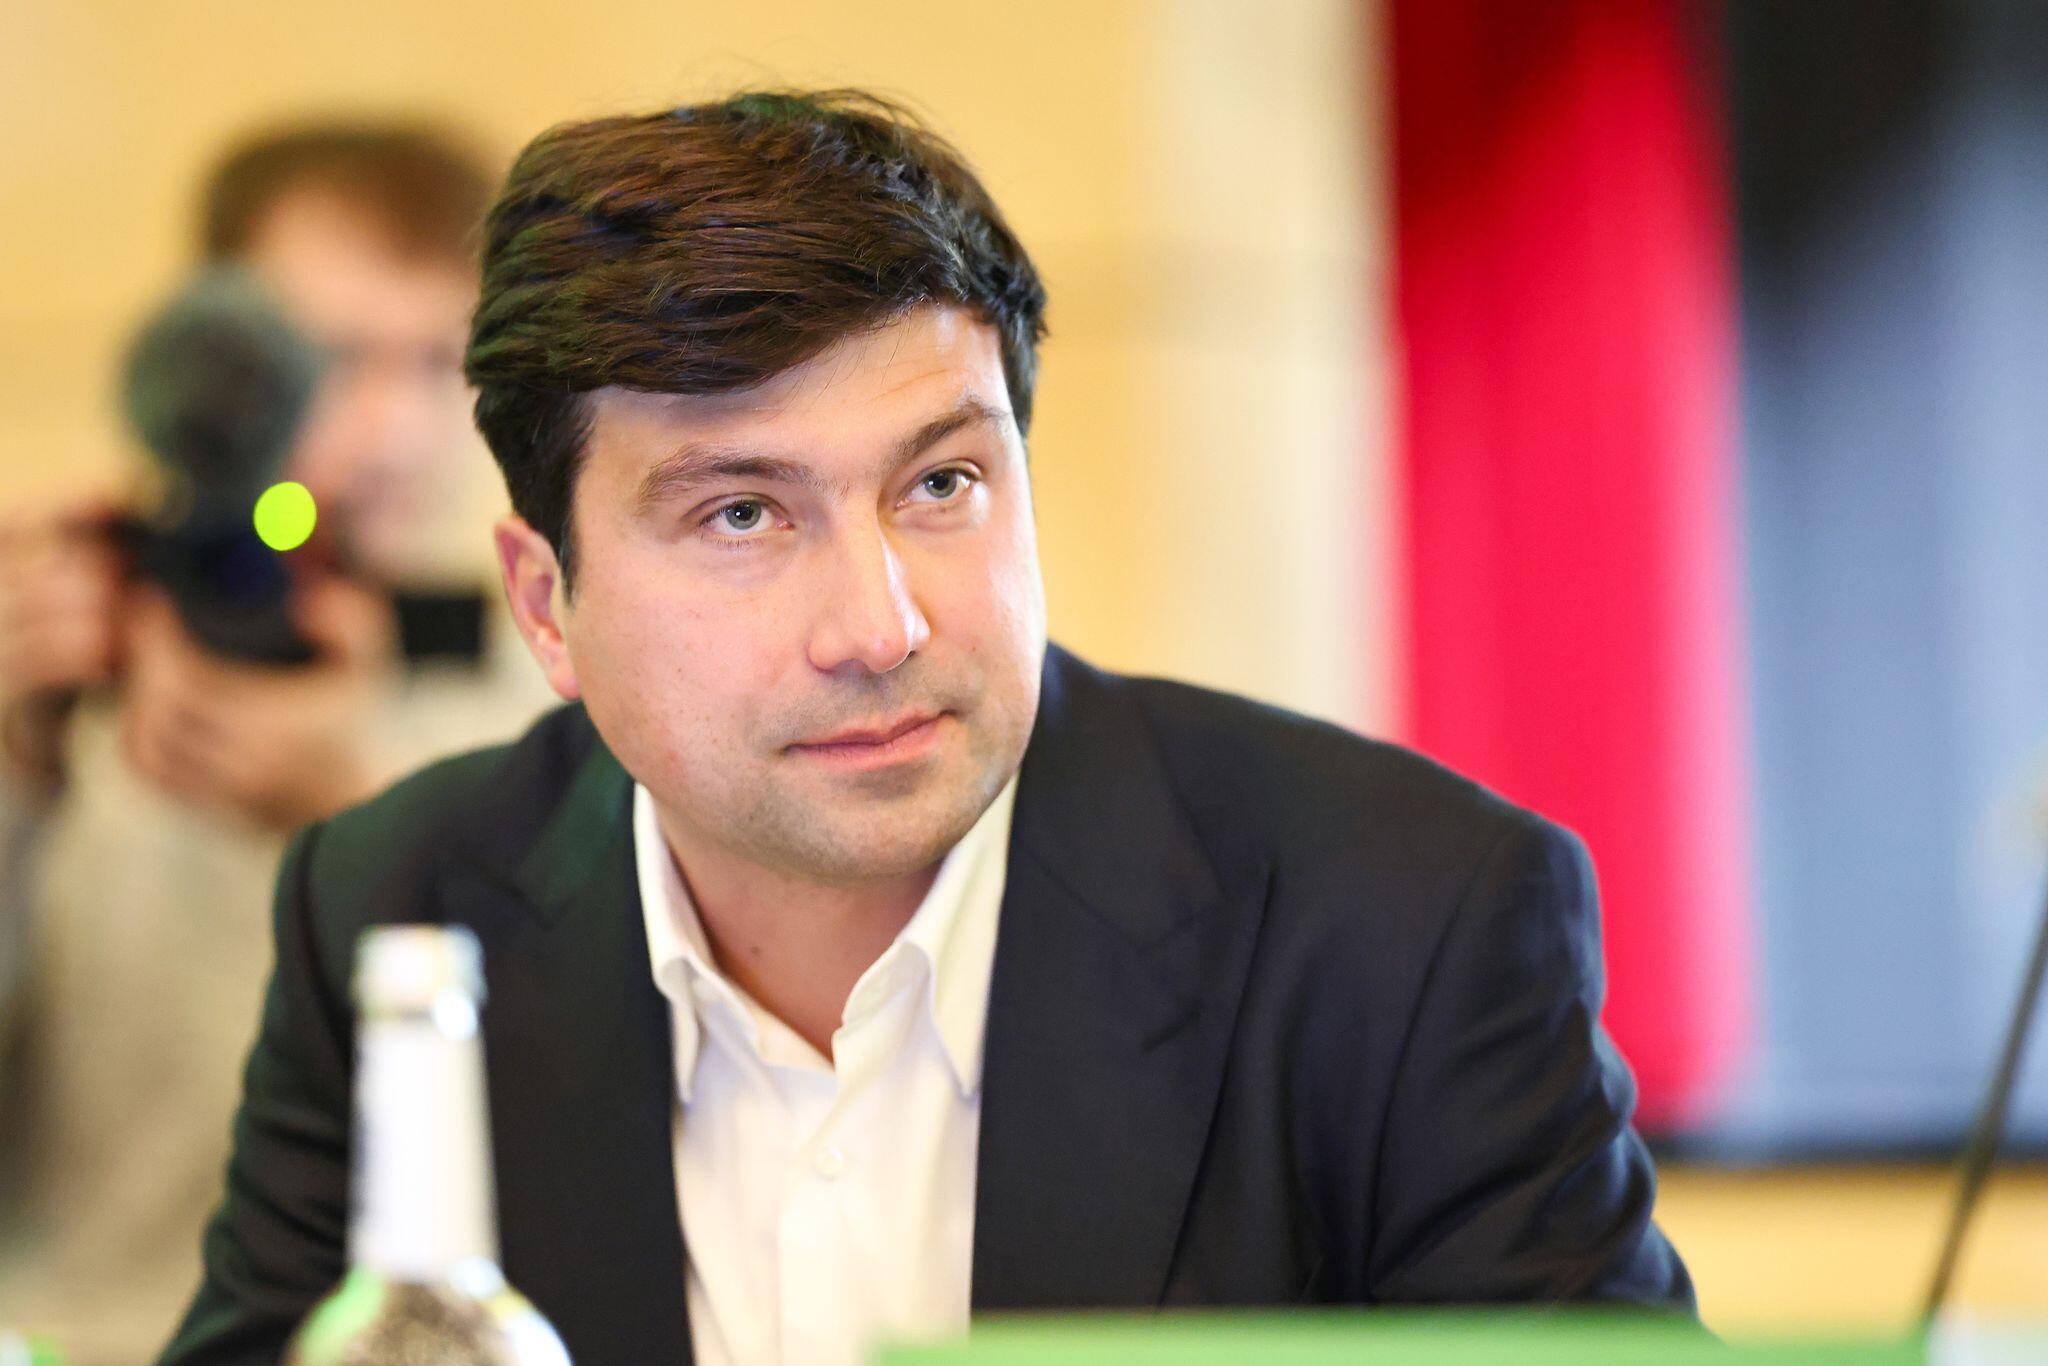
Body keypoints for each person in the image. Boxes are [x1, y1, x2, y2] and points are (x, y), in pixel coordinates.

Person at [160, 91, 1697, 1366]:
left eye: (941, 484)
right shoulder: (401, 912)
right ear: (547, 604)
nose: (880, 624)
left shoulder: (1408, 918)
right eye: (744, 512)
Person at [0, 122, 556, 1360]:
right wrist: (15, 766)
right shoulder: (59, 655)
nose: (393, 427)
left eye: (438, 363)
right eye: (333, 360)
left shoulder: (558, 690)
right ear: (215, 355)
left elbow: (609, 1093)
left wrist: (360, 817)